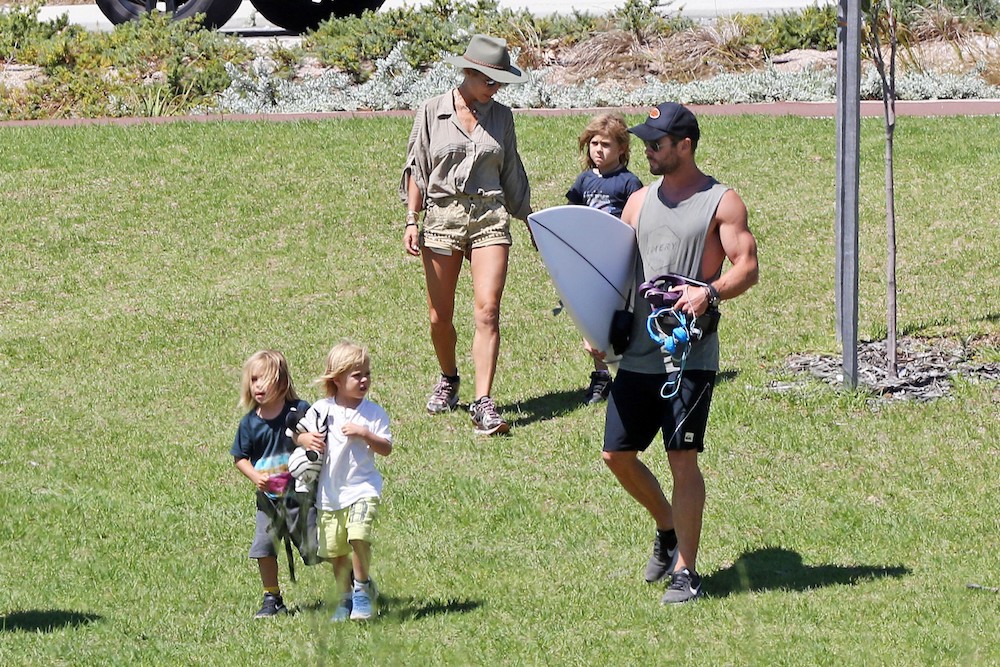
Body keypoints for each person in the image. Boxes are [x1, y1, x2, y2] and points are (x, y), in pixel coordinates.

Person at [600, 102, 759, 604]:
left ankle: (687, 572)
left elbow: (747, 267)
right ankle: (666, 525)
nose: (647, 150)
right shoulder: (639, 201)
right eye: (646, 142)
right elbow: (617, 271)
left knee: (681, 458)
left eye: (657, 143)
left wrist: (709, 293)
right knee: (617, 454)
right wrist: (595, 323)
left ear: (684, 146)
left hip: (689, 354)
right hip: (638, 353)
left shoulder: (721, 202)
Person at [400, 33, 532, 436]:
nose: (495, 89)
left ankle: (484, 402)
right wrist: (411, 218)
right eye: (490, 81)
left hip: (489, 216)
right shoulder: (431, 112)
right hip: (442, 217)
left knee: (487, 311)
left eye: (500, 83)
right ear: (469, 73)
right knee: (440, 317)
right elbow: (417, 169)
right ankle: (448, 377)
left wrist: (532, 220)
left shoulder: (502, 118)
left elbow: (512, 173)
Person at [295, 341, 392, 622]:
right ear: (336, 380)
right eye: (356, 375)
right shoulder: (321, 409)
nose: (364, 380)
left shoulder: (373, 413)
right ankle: (344, 597)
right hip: (329, 494)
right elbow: (296, 435)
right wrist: (305, 439)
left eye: (367, 374)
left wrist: (365, 434)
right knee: (336, 552)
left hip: (362, 489)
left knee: (358, 536)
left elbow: (385, 448)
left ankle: (361, 591)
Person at [231, 350, 320, 618]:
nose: (257, 385)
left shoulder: (299, 411)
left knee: (317, 548)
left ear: (281, 382)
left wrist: (302, 439)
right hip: (268, 503)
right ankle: (272, 596)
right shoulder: (249, 423)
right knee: (263, 547)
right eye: (253, 379)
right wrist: (254, 476)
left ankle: (354, 582)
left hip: (301, 498)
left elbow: (313, 437)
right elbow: (240, 457)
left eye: (264, 379)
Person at [566, 112, 643, 405]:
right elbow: (571, 218)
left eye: (607, 144)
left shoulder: (628, 183)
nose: (599, 149)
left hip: (618, 263)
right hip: (588, 262)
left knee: (619, 319)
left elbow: (635, 223)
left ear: (622, 149)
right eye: (594, 143)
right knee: (591, 318)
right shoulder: (583, 181)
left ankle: (626, 373)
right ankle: (600, 377)